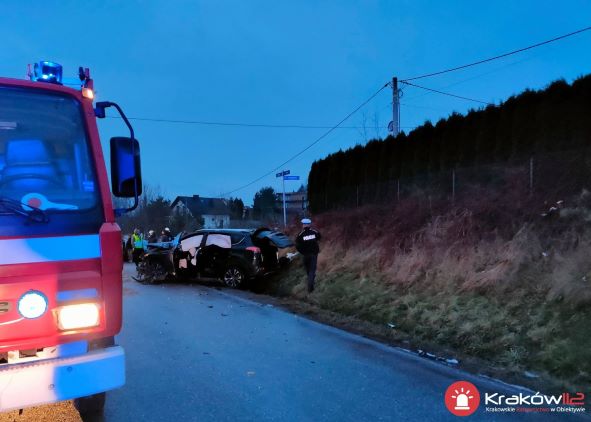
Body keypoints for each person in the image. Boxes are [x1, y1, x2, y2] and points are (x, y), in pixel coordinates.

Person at [295, 218, 321, 293]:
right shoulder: (314, 232)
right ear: (309, 225)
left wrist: (302, 252)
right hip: (314, 254)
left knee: (308, 270)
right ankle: (310, 287)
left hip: (305, 255)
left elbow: (297, 245)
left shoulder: (300, 234)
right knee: (312, 270)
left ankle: (310, 284)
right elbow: (319, 237)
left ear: (303, 225)